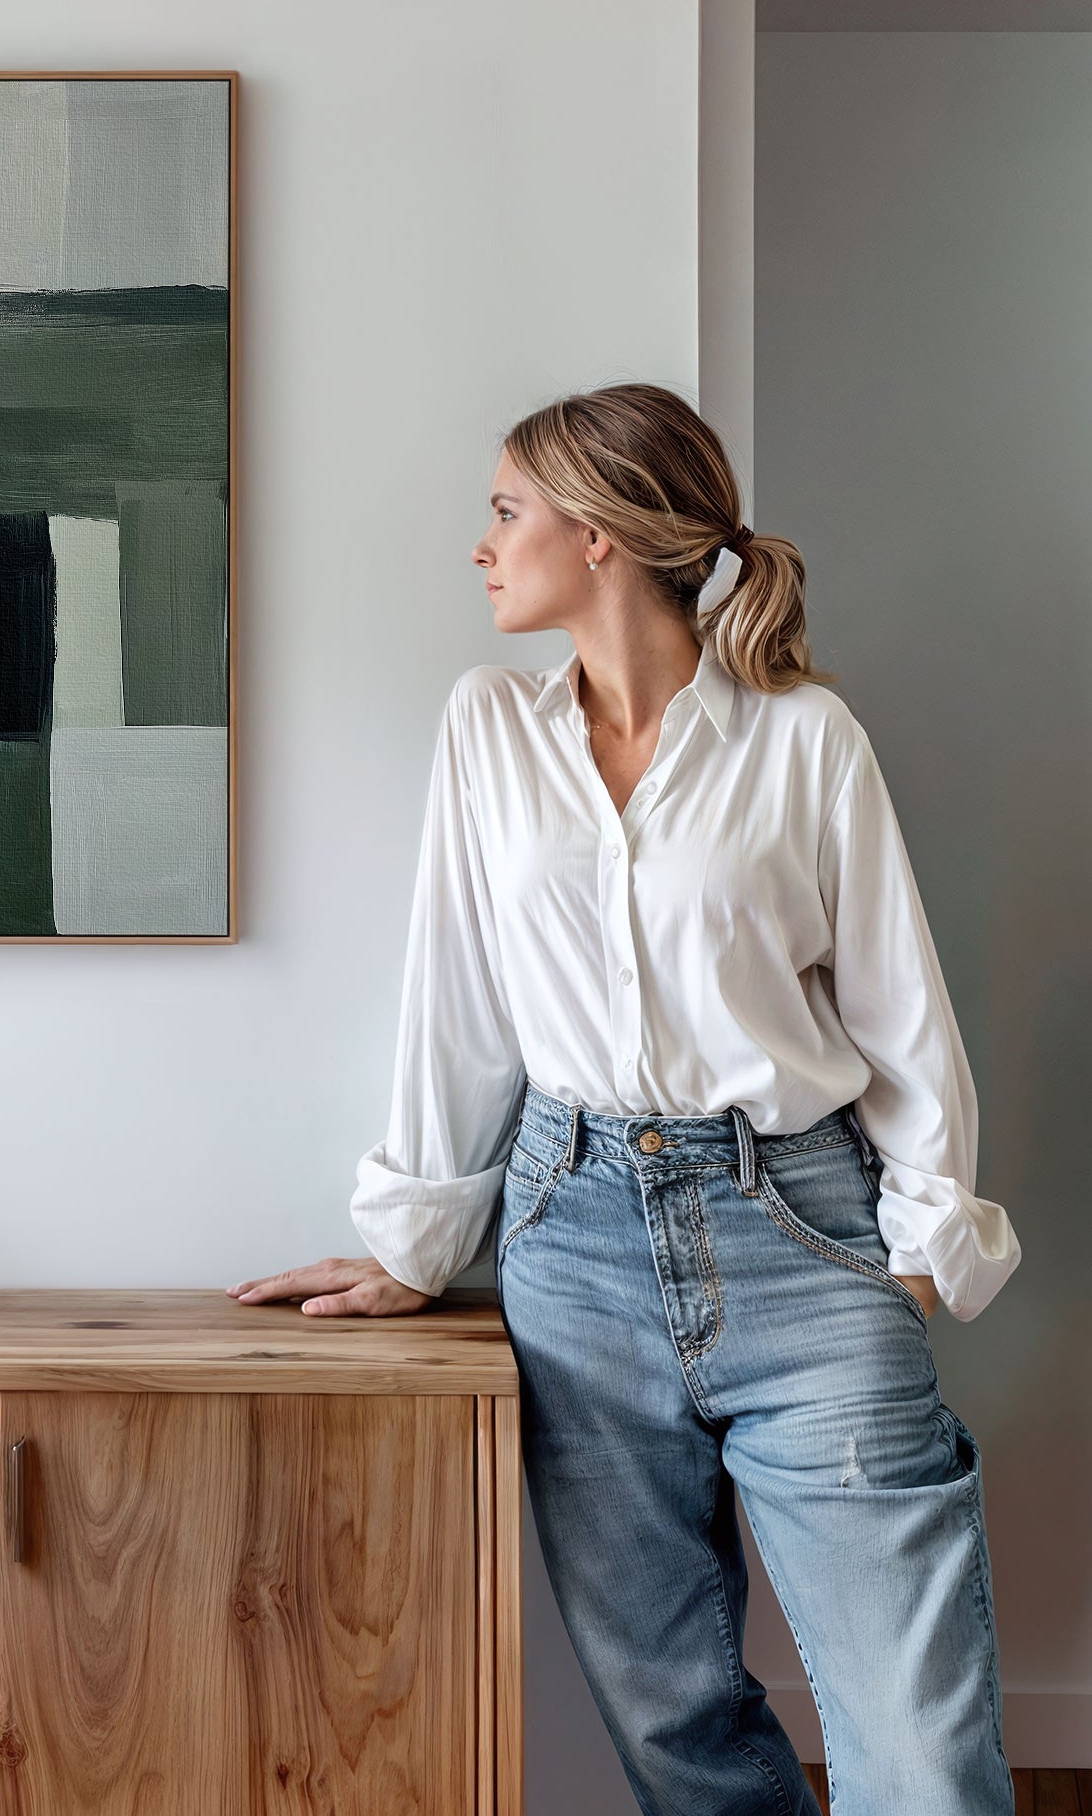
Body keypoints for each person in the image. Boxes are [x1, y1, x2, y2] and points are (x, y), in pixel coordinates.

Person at [228, 384, 1021, 1815]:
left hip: (801, 1231)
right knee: (674, 1724)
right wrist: (418, 1240)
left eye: (506, 511)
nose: (482, 546)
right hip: (574, 1244)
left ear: (598, 535)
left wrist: (915, 1255)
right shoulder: (488, 729)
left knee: (918, 1745)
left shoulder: (804, 739)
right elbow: (458, 1001)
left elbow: (901, 1010)